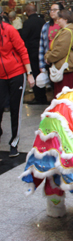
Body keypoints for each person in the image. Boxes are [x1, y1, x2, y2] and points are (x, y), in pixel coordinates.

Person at [0, 20, 35, 157]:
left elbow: (22, 50)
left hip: (16, 72)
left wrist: (29, 73)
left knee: (15, 108)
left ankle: (14, 142)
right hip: (1, 76)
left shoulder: (9, 30)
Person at [44, 9, 73, 96]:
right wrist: (48, 55)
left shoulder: (67, 32)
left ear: (65, 19)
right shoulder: (64, 31)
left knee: (64, 97)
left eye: (59, 18)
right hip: (64, 68)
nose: (57, 21)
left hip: (66, 69)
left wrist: (48, 57)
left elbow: (59, 51)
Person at [21, 3, 48, 105]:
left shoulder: (27, 23)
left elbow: (24, 36)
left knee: (35, 73)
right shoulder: (42, 21)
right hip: (43, 51)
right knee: (43, 73)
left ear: (28, 12)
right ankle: (44, 96)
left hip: (32, 52)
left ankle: (39, 97)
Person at [39, 3, 63, 76]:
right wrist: (41, 64)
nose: (52, 12)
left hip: (63, 61)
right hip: (49, 60)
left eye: (55, 10)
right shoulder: (46, 26)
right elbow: (42, 45)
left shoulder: (65, 25)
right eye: (51, 10)